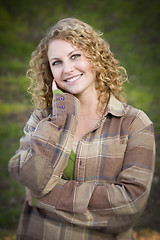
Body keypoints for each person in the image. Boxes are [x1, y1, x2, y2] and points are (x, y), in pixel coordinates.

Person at [8, 18, 155, 240]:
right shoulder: (41, 119)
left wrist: (45, 197)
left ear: (96, 57)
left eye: (75, 56)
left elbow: (130, 204)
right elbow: (31, 177)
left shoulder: (134, 123)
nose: (67, 69)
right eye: (56, 62)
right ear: (50, 72)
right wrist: (61, 117)